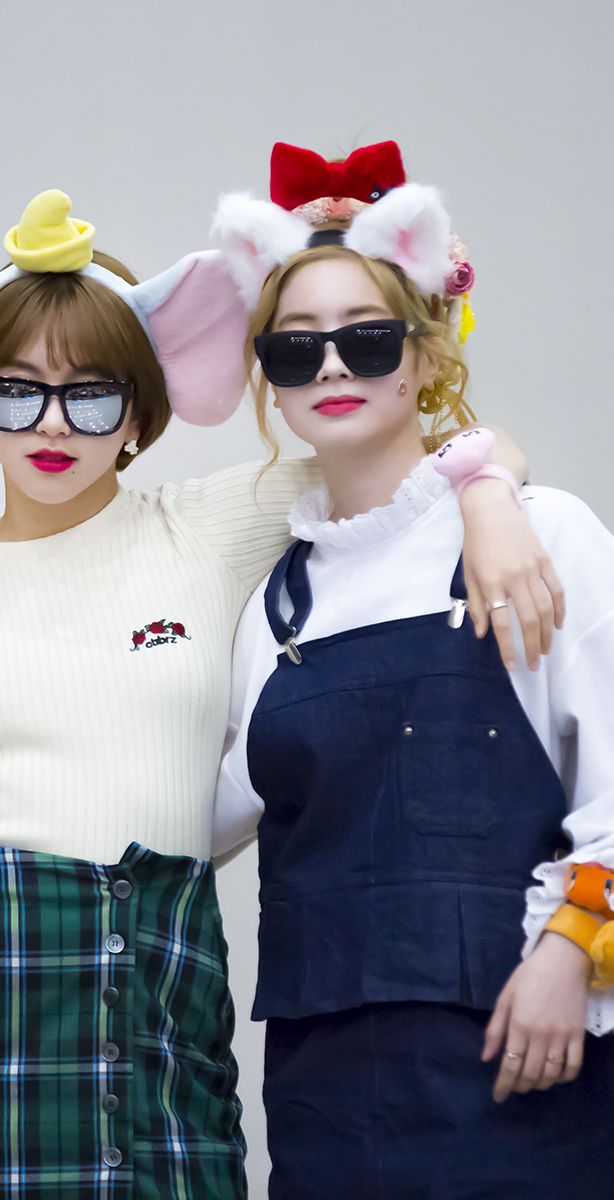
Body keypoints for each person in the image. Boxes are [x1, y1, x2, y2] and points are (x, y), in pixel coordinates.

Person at [0, 186, 558, 1200]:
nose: (51, 424)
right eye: (15, 391)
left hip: (160, 1006)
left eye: (89, 394)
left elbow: (418, 452)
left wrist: (491, 497)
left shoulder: (205, 530)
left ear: (140, 410)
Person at [212, 172, 614, 1199]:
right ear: (268, 379)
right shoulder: (273, 608)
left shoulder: (537, 534)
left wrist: (570, 952)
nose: (330, 365)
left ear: (427, 353)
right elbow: (187, 820)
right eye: (294, 347)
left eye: (368, 338)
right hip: (323, 1110)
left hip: (525, 1075)